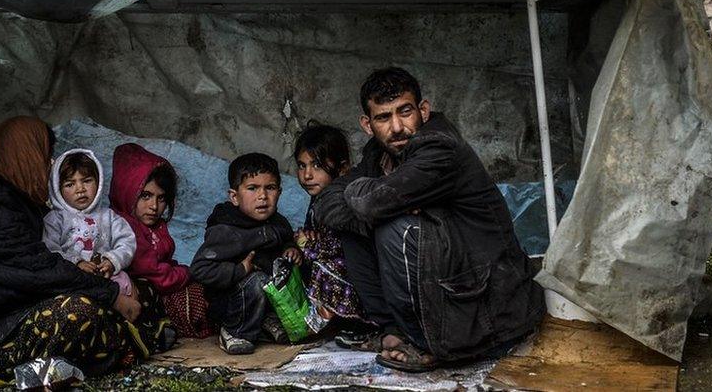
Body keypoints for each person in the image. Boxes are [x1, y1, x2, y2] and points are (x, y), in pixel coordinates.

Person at [313, 68, 545, 373]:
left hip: (488, 302)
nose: (397, 127)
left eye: (405, 112)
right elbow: (326, 202)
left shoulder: (440, 147)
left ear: (423, 110)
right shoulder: (378, 154)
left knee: (395, 229)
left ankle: (426, 343)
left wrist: (368, 201)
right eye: (383, 117)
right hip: (453, 288)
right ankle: (395, 330)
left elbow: (370, 202)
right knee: (359, 228)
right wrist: (373, 208)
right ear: (367, 125)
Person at [0, 117, 170, 386]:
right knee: (80, 312)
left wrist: (103, 275)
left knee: (139, 288)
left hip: (17, 310)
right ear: (26, 155)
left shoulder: (19, 200)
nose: (49, 166)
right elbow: (40, 270)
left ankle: (113, 344)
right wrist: (110, 294)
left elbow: (50, 265)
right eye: (45, 156)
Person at [190, 153, 303, 355]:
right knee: (257, 280)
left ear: (280, 192)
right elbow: (200, 269)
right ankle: (234, 331)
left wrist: (291, 249)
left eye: (270, 188)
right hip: (229, 304)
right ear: (234, 196)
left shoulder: (278, 222)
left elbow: (285, 238)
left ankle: (264, 322)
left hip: (264, 299)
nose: (262, 196)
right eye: (252, 188)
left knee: (287, 268)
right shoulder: (226, 230)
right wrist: (240, 269)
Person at [110, 142, 214, 339]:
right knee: (194, 293)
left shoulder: (154, 227)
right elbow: (156, 274)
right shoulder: (124, 227)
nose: (154, 206)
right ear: (126, 191)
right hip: (146, 290)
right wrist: (187, 273)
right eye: (146, 196)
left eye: (161, 198)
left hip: (161, 282)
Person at [292, 123, 369, 334]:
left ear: (342, 168)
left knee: (326, 267)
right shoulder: (317, 198)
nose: (307, 175)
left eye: (316, 165)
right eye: (301, 165)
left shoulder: (340, 198)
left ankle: (330, 320)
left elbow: (337, 247)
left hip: (355, 273)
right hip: (335, 261)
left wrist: (306, 244)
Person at [43, 148, 137, 298]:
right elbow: (50, 251)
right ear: (57, 189)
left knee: (128, 285)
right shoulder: (54, 219)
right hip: (72, 280)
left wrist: (112, 261)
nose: (80, 189)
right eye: (70, 184)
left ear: (98, 183)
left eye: (87, 181)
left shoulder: (109, 217)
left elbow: (127, 242)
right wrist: (77, 263)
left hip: (106, 276)